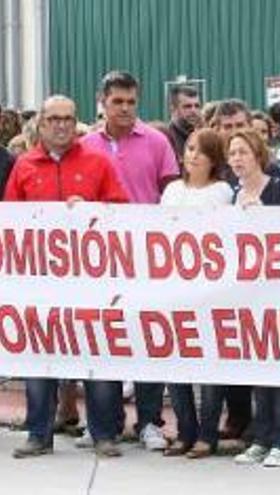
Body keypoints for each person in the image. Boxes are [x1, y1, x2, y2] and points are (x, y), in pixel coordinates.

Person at [6, 95, 129, 459]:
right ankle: (38, 433)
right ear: (41, 124)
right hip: (40, 284)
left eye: (68, 119)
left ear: (75, 124)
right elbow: (10, 223)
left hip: (90, 283)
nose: (61, 125)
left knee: (98, 354)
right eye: (54, 118)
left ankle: (104, 433)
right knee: (38, 357)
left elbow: (121, 212)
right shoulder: (24, 166)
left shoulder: (98, 162)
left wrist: (90, 210)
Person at [82, 70, 179, 452]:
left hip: (146, 260)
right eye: (117, 101)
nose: (125, 108)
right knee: (102, 342)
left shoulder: (157, 142)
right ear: (101, 102)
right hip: (98, 262)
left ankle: (150, 421)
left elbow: (171, 198)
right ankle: (102, 422)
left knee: (148, 340)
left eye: (131, 102)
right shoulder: (85, 145)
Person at [226, 129, 280, 468]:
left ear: (258, 154)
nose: (237, 159)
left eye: (243, 151)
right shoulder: (233, 197)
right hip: (249, 295)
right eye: (232, 154)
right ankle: (261, 436)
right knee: (258, 369)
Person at [160, 128, 234, 459]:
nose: (193, 155)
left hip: (209, 289)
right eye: (189, 148)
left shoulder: (222, 192)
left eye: (201, 151)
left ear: (213, 159)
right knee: (175, 363)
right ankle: (184, 430)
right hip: (174, 284)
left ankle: (207, 433)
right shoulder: (171, 190)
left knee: (209, 366)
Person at [167, 85, 202, 159]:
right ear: (173, 109)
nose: (194, 111)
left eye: (197, 106)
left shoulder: (203, 136)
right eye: (187, 106)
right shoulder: (167, 139)